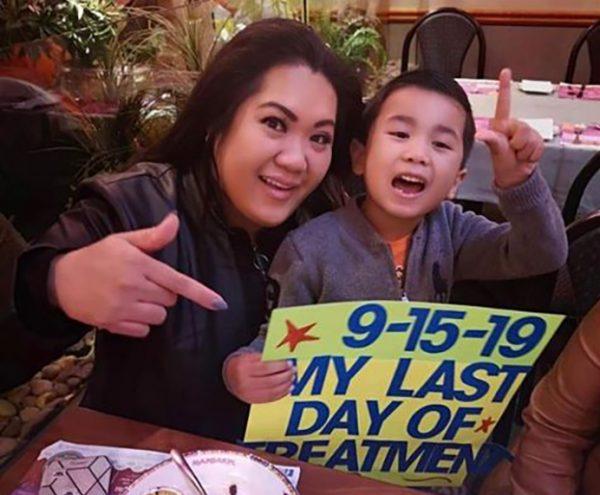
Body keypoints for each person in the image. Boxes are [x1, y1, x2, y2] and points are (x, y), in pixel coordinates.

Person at [13, 18, 363, 442]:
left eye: (320, 138)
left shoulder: (326, 220)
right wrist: (54, 283)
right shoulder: (136, 206)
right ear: (218, 119)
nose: (296, 160)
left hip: (275, 466)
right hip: (152, 462)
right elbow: (18, 321)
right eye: (274, 123)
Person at [224, 68, 569, 405]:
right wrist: (239, 370)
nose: (417, 154)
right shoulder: (307, 250)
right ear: (360, 157)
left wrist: (519, 184)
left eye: (440, 143)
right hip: (328, 426)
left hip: (412, 423)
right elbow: (275, 342)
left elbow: (543, 255)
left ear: (456, 182)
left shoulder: (453, 230)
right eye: (401, 134)